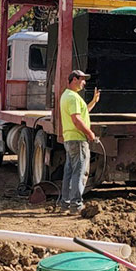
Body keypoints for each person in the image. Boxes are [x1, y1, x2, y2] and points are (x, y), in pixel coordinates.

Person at [58, 69, 99, 213]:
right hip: (78, 140)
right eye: (82, 79)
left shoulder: (66, 96)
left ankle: (65, 203)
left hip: (70, 139)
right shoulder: (73, 97)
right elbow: (76, 119)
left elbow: (82, 113)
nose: (84, 83)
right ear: (74, 79)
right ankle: (76, 204)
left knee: (69, 172)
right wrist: (89, 133)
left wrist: (93, 101)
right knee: (80, 172)